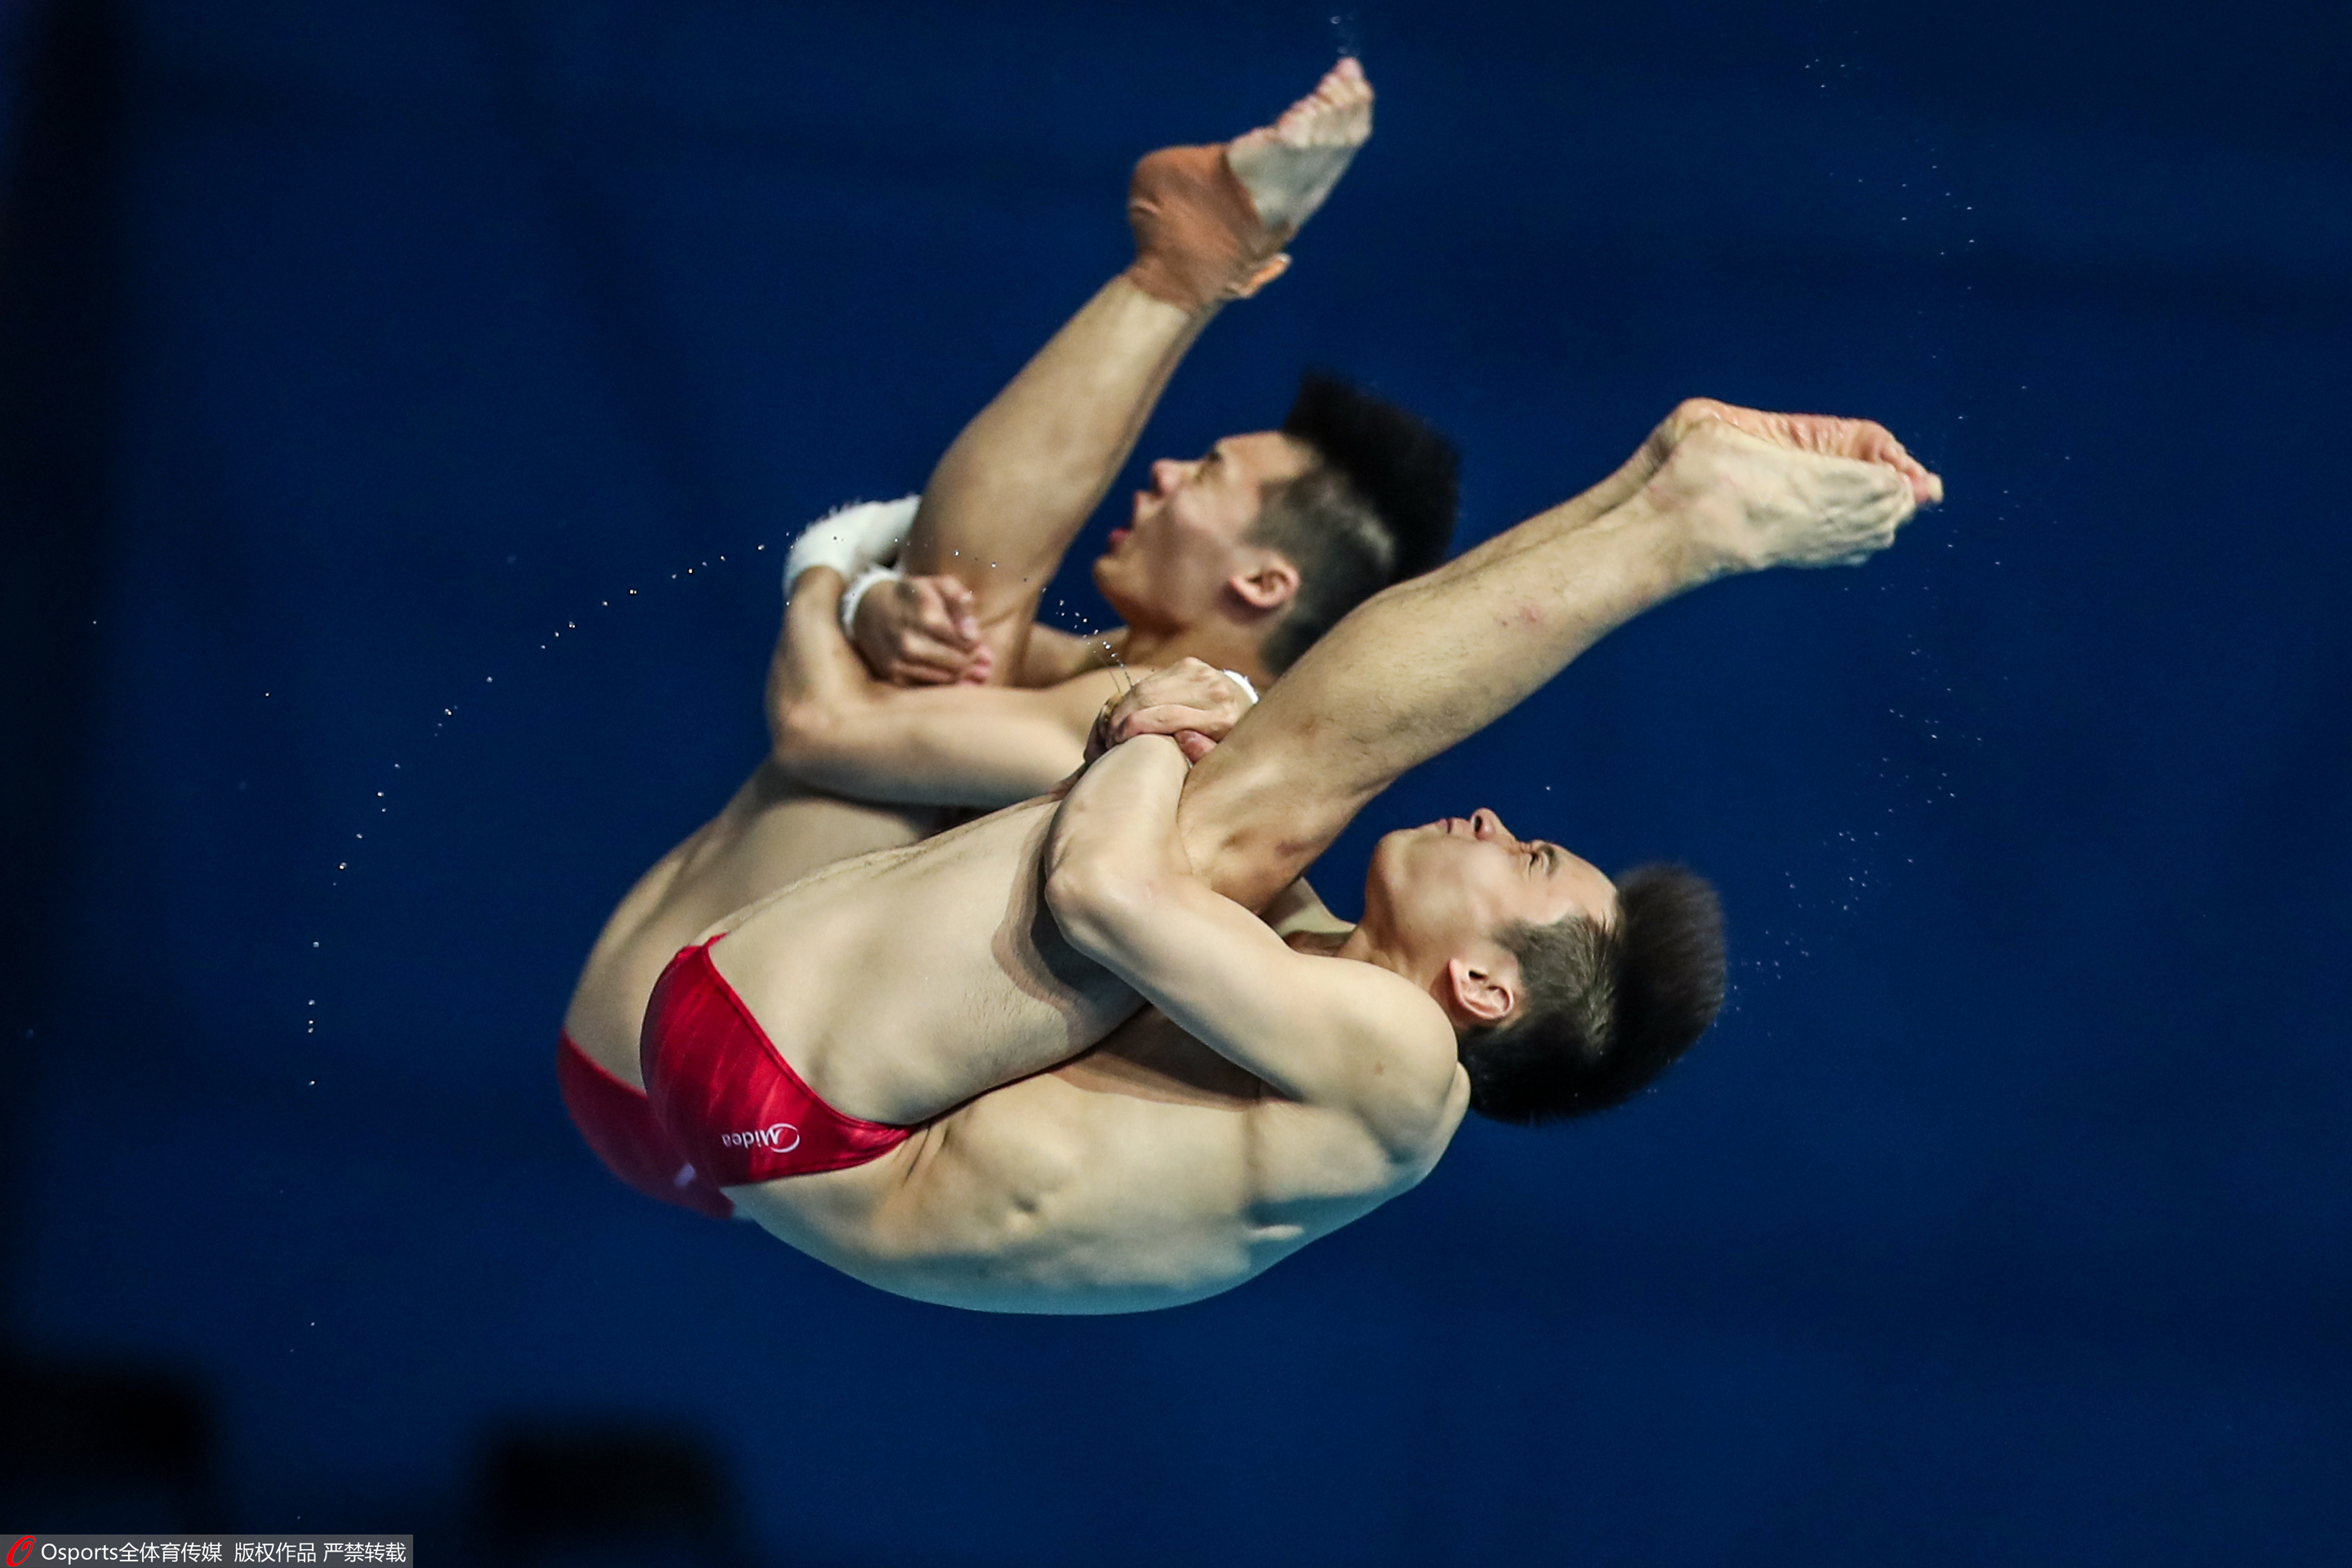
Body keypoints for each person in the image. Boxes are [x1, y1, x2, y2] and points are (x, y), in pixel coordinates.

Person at [641, 399, 1944, 1313]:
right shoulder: (1309, 970)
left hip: (787, 1107)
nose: (1494, 819)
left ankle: (1683, 522)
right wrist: (859, 588)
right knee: (1267, 760)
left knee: (1260, 773)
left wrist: (1149, 732)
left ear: (1486, 989)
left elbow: (1104, 884)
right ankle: (1655, 481)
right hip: (760, 1075)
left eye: (1532, 854)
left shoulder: (1403, 1074)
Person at [560, 60, 1458, 1216]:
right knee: (945, 630)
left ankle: (1177, 274)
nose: (1170, 469)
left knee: (951, 630)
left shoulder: (1168, 731)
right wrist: (864, 602)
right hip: (685, 1071)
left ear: (1262, 580)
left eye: (1211, 476)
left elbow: (820, 720)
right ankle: (1182, 269)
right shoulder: (1099, 675)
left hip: (701, 1085)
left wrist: (827, 568)